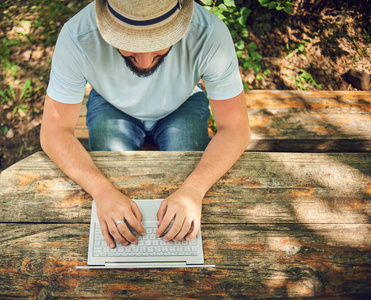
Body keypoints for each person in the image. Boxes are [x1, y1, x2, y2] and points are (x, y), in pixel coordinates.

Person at [40, 0, 250, 249]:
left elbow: (236, 128)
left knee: (186, 192)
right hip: (111, 104)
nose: (145, 62)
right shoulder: (77, 36)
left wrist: (194, 190)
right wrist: (103, 192)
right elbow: (54, 132)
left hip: (181, 103)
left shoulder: (209, 33)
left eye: (159, 48)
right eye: (130, 49)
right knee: (113, 195)